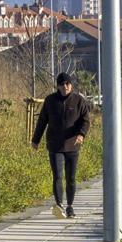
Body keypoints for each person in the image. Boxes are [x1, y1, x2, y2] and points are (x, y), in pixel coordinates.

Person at [31, 72, 91, 218]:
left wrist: (81, 134)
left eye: (67, 84)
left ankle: (70, 206)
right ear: (57, 86)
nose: (65, 87)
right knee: (57, 175)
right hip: (55, 145)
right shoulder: (50, 101)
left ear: (71, 85)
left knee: (70, 177)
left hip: (72, 145)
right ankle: (59, 206)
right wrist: (36, 140)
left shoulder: (78, 101)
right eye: (62, 84)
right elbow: (42, 121)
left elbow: (86, 120)